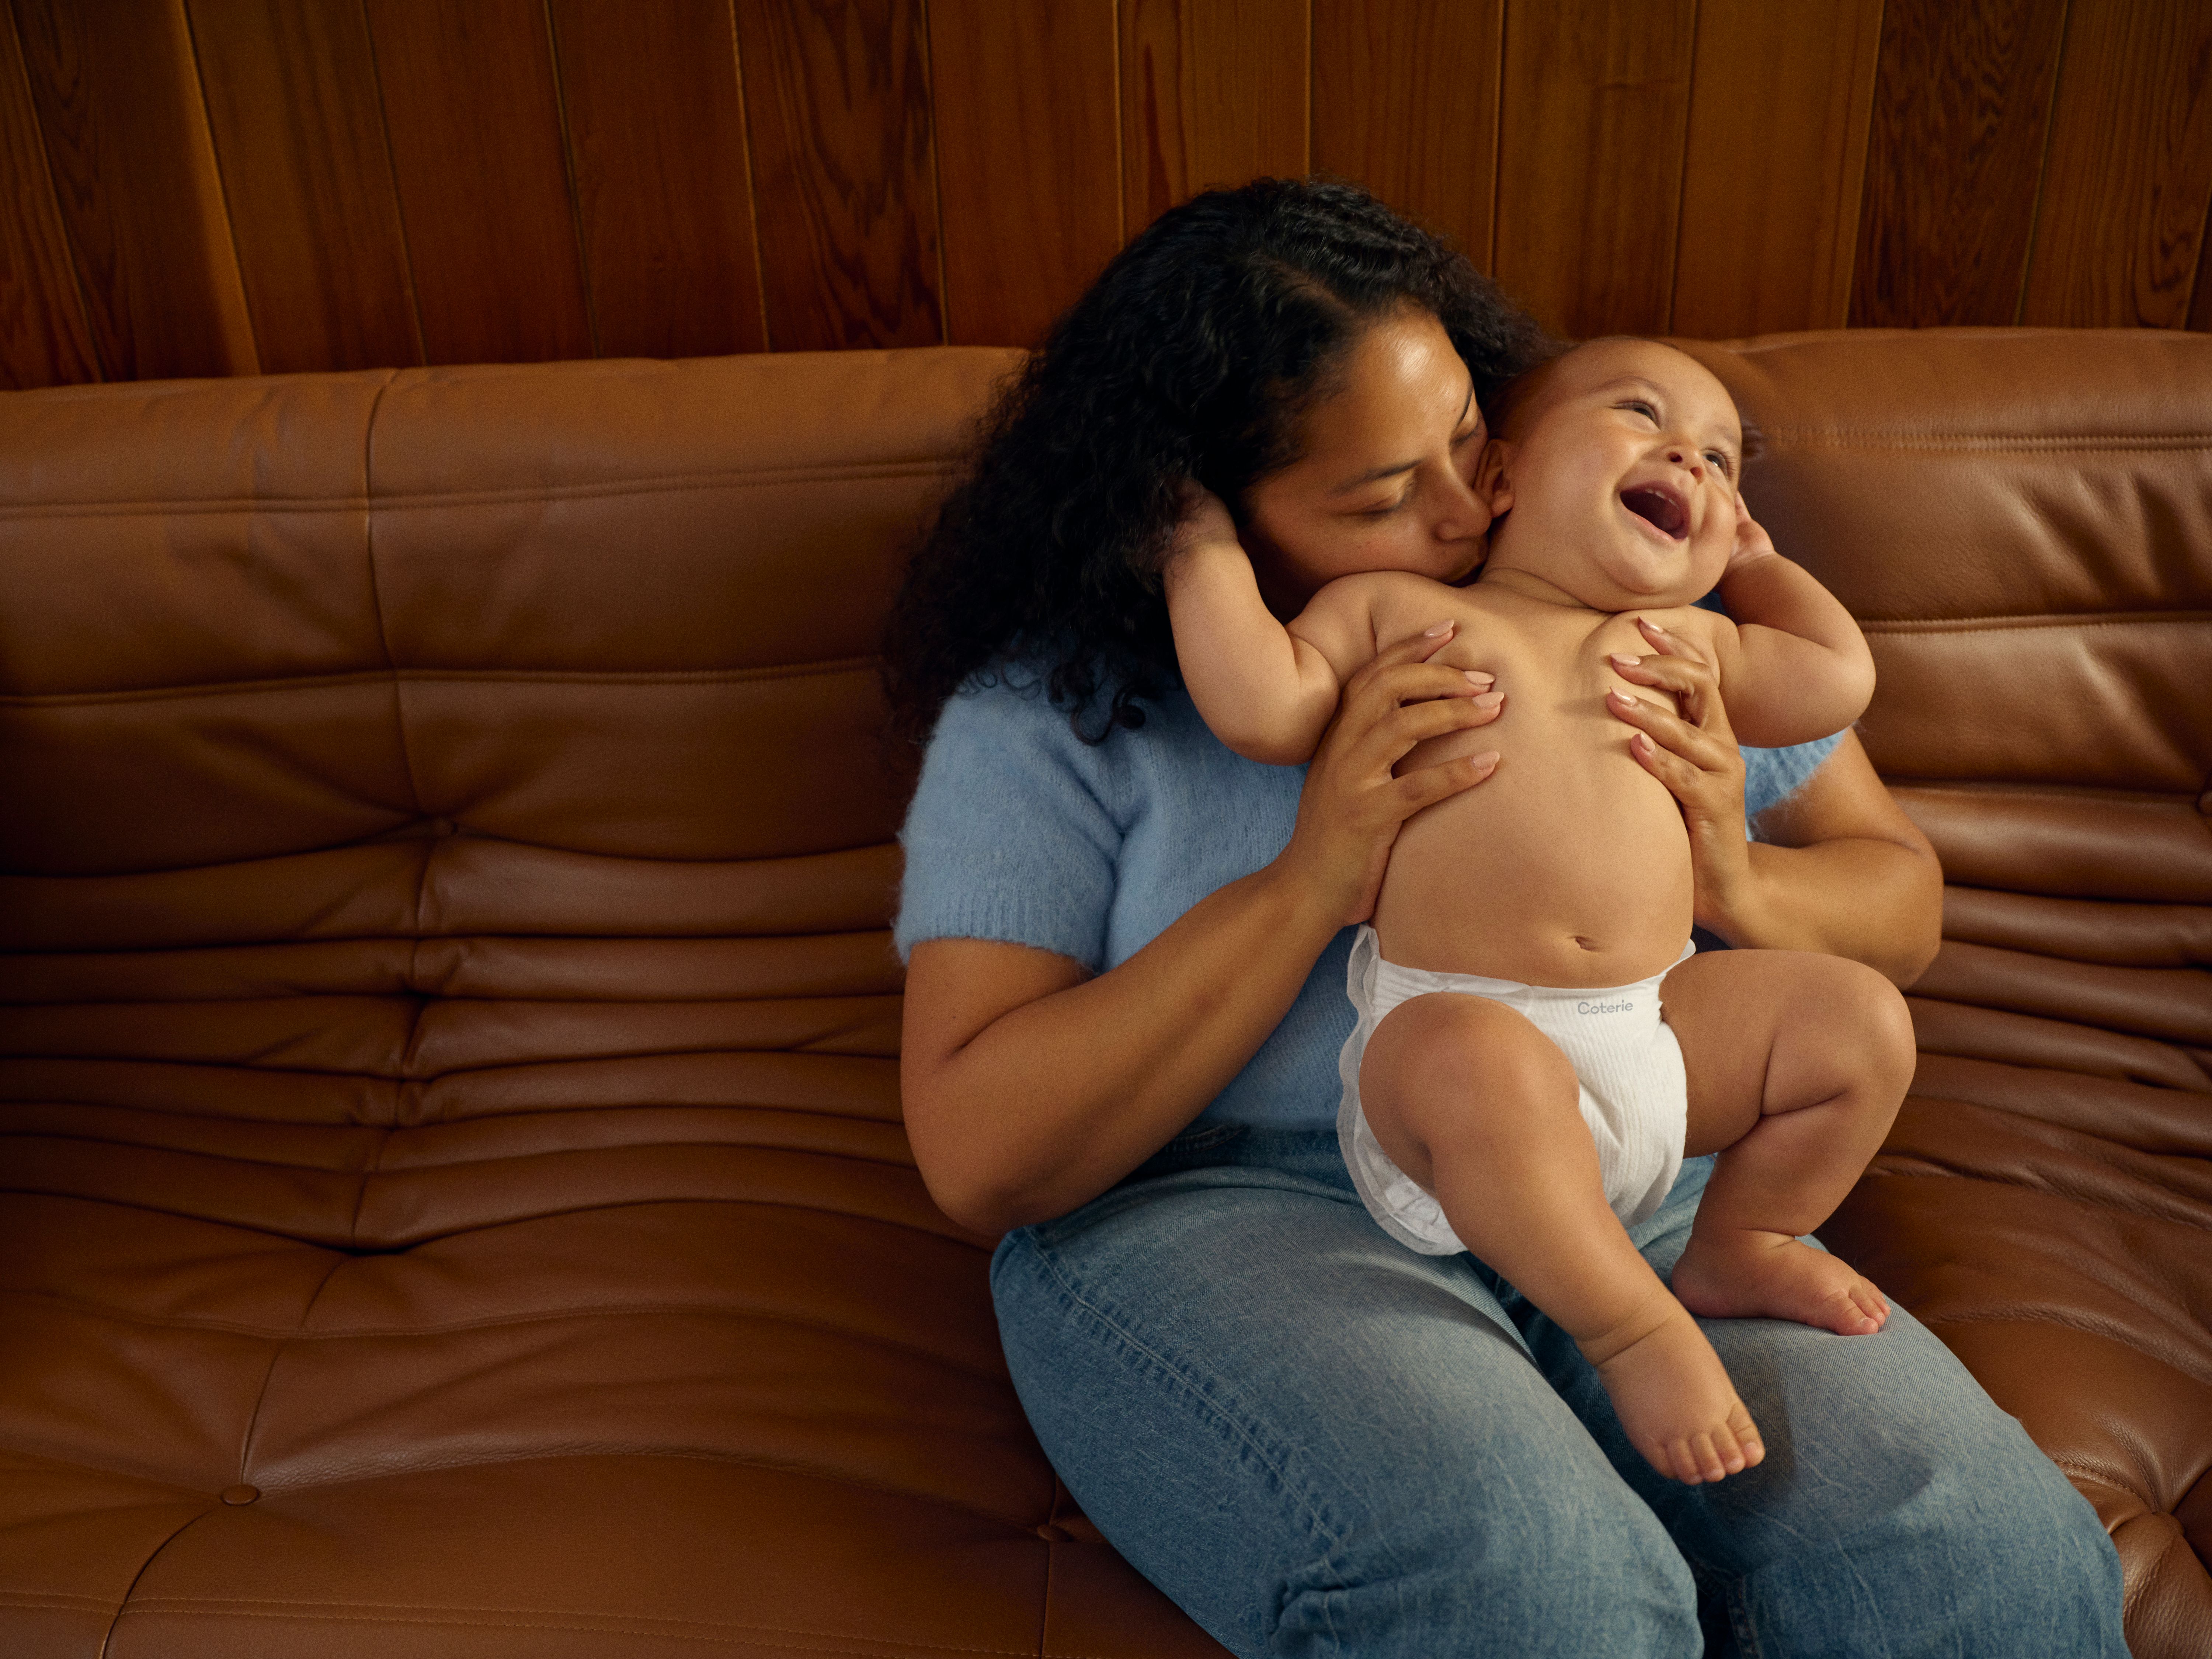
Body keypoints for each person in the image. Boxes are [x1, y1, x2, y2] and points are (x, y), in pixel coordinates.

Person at [887, 177, 2125, 1656]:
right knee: (1540, 1593)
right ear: (1206, 515)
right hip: (1226, 1205)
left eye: (1470, 437)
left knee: (1989, 1563)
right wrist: (1313, 878)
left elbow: (1900, 906)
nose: (1464, 508)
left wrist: (1738, 873)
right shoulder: (1054, 716)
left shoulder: (1615, 603)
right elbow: (978, 1154)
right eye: (1375, 498)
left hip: (1632, 1154)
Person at [1163, 334, 1910, 1487]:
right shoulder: (1394, 610)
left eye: (1723, 461)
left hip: (1652, 1043)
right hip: (1452, 1076)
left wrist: (1754, 566)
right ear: (1502, 477)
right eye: (1644, 413)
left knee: (1860, 1020)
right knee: (1472, 1058)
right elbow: (1264, 706)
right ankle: (1632, 1328)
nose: (1694, 461)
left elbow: (1839, 675)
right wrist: (1195, 544)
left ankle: (1743, 1242)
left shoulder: (1699, 646)